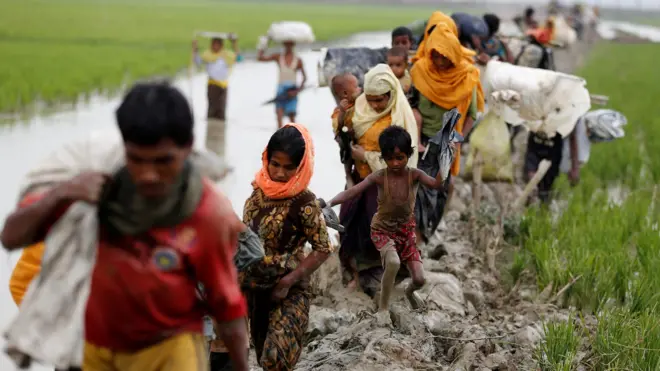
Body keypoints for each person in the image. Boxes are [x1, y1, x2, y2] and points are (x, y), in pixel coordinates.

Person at [0, 82, 249, 371]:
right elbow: (10, 236)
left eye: (163, 161)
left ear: (188, 148)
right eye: (136, 159)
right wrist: (63, 192)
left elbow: (227, 303)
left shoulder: (207, 213)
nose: (148, 175)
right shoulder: (94, 191)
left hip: (167, 351)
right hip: (95, 349)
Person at [322, 126, 446, 315]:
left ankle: (410, 293)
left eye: (400, 158)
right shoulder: (380, 177)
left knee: (420, 279)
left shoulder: (415, 175)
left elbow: (437, 184)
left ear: (409, 155)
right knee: (394, 262)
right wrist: (329, 202)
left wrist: (445, 161)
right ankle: (383, 308)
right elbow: (352, 191)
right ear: (382, 158)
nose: (395, 163)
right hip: (382, 231)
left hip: (405, 233)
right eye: (389, 159)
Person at [241, 123, 333, 370]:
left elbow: (323, 248)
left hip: (288, 289)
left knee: (276, 358)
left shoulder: (304, 202)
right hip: (254, 287)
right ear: (266, 159)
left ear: (301, 166)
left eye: (288, 167)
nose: (280, 173)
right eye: (275, 164)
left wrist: (288, 281)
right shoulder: (257, 191)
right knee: (260, 354)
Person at [337, 64, 418, 295]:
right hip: (360, 178)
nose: (374, 105)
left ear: (391, 95)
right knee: (350, 224)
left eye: (380, 100)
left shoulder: (400, 118)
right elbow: (344, 133)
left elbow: (400, 162)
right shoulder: (359, 107)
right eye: (370, 99)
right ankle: (357, 273)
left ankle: (390, 274)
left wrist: (368, 156)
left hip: (385, 184)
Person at [410, 22, 484, 245]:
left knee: (439, 191)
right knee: (420, 192)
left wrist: (457, 141)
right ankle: (418, 242)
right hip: (421, 141)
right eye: (436, 55)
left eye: (445, 57)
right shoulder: (420, 70)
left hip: (447, 144)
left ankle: (426, 236)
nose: (440, 61)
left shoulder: (466, 77)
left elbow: (472, 114)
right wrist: (416, 128)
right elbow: (411, 103)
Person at [193, 36, 241, 159]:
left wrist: (234, 43)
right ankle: (210, 142)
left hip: (223, 86)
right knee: (212, 110)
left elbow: (239, 58)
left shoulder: (226, 56)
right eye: (213, 44)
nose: (214, 47)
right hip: (212, 85)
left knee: (221, 111)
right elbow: (197, 62)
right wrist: (195, 49)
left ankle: (218, 140)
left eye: (217, 44)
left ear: (221, 45)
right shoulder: (208, 56)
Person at [257, 39, 307, 128]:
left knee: (292, 117)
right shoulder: (278, 57)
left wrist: (297, 91)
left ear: (293, 45)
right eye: (286, 44)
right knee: (279, 115)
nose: (288, 47)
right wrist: (264, 44)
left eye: (290, 44)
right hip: (281, 90)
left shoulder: (298, 60)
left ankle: (293, 138)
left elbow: (304, 78)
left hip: (292, 89)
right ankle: (280, 137)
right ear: (284, 45)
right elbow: (260, 58)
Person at [524, 127, 580, 203]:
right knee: (531, 183)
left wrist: (575, 168)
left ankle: (542, 205)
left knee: (545, 190)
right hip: (534, 146)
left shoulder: (567, 117)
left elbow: (572, 137)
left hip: (553, 152)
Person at [331, 73, 361, 187]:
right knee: (347, 155)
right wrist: (343, 112)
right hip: (344, 137)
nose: (360, 89)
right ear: (345, 93)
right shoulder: (339, 110)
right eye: (356, 87)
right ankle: (348, 176)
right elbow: (338, 126)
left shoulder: (358, 102)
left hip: (355, 134)